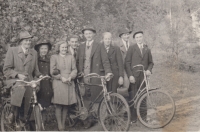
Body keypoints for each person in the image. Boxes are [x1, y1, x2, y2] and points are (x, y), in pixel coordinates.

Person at [3, 31, 42, 129]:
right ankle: (12, 116)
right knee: (20, 89)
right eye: (26, 41)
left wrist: (40, 76)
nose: (28, 42)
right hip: (14, 80)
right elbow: (6, 69)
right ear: (21, 42)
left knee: (31, 94)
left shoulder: (34, 52)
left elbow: (36, 71)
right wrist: (17, 74)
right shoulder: (13, 50)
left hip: (28, 81)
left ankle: (25, 120)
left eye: (29, 41)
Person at [76, 26, 112, 128]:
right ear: (84, 35)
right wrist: (79, 72)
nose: (88, 35)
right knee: (85, 98)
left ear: (94, 34)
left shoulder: (99, 46)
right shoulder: (81, 47)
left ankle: (100, 120)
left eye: (90, 33)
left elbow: (105, 60)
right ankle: (88, 120)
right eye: (86, 34)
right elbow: (78, 61)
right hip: (84, 76)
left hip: (95, 75)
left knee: (98, 98)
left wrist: (108, 72)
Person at [125, 31, 154, 124]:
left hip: (143, 77)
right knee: (133, 96)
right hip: (134, 76)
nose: (139, 39)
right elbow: (127, 63)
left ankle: (143, 117)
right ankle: (133, 118)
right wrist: (130, 75)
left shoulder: (147, 48)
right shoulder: (132, 48)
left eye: (140, 37)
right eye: (137, 37)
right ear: (135, 39)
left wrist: (149, 70)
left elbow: (151, 62)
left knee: (143, 96)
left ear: (143, 37)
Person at [50, 40, 77, 131]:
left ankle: (63, 124)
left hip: (69, 82)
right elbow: (52, 71)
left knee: (66, 104)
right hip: (59, 82)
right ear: (59, 48)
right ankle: (59, 125)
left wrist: (70, 77)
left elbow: (74, 70)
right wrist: (61, 78)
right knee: (59, 105)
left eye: (66, 47)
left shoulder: (71, 57)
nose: (64, 49)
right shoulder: (54, 57)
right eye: (62, 47)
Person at [34, 40, 53, 122]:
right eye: (42, 48)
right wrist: (40, 76)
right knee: (38, 101)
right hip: (38, 82)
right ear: (39, 49)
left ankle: (43, 122)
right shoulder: (36, 59)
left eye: (46, 48)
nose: (44, 50)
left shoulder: (49, 60)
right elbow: (34, 70)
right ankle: (37, 121)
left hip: (47, 83)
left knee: (46, 100)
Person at [116, 28, 132, 96]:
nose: (127, 36)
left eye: (128, 34)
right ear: (121, 36)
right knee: (125, 85)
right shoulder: (117, 45)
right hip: (123, 69)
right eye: (125, 35)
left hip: (131, 68)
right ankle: (124, 103)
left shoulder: (132, 44)